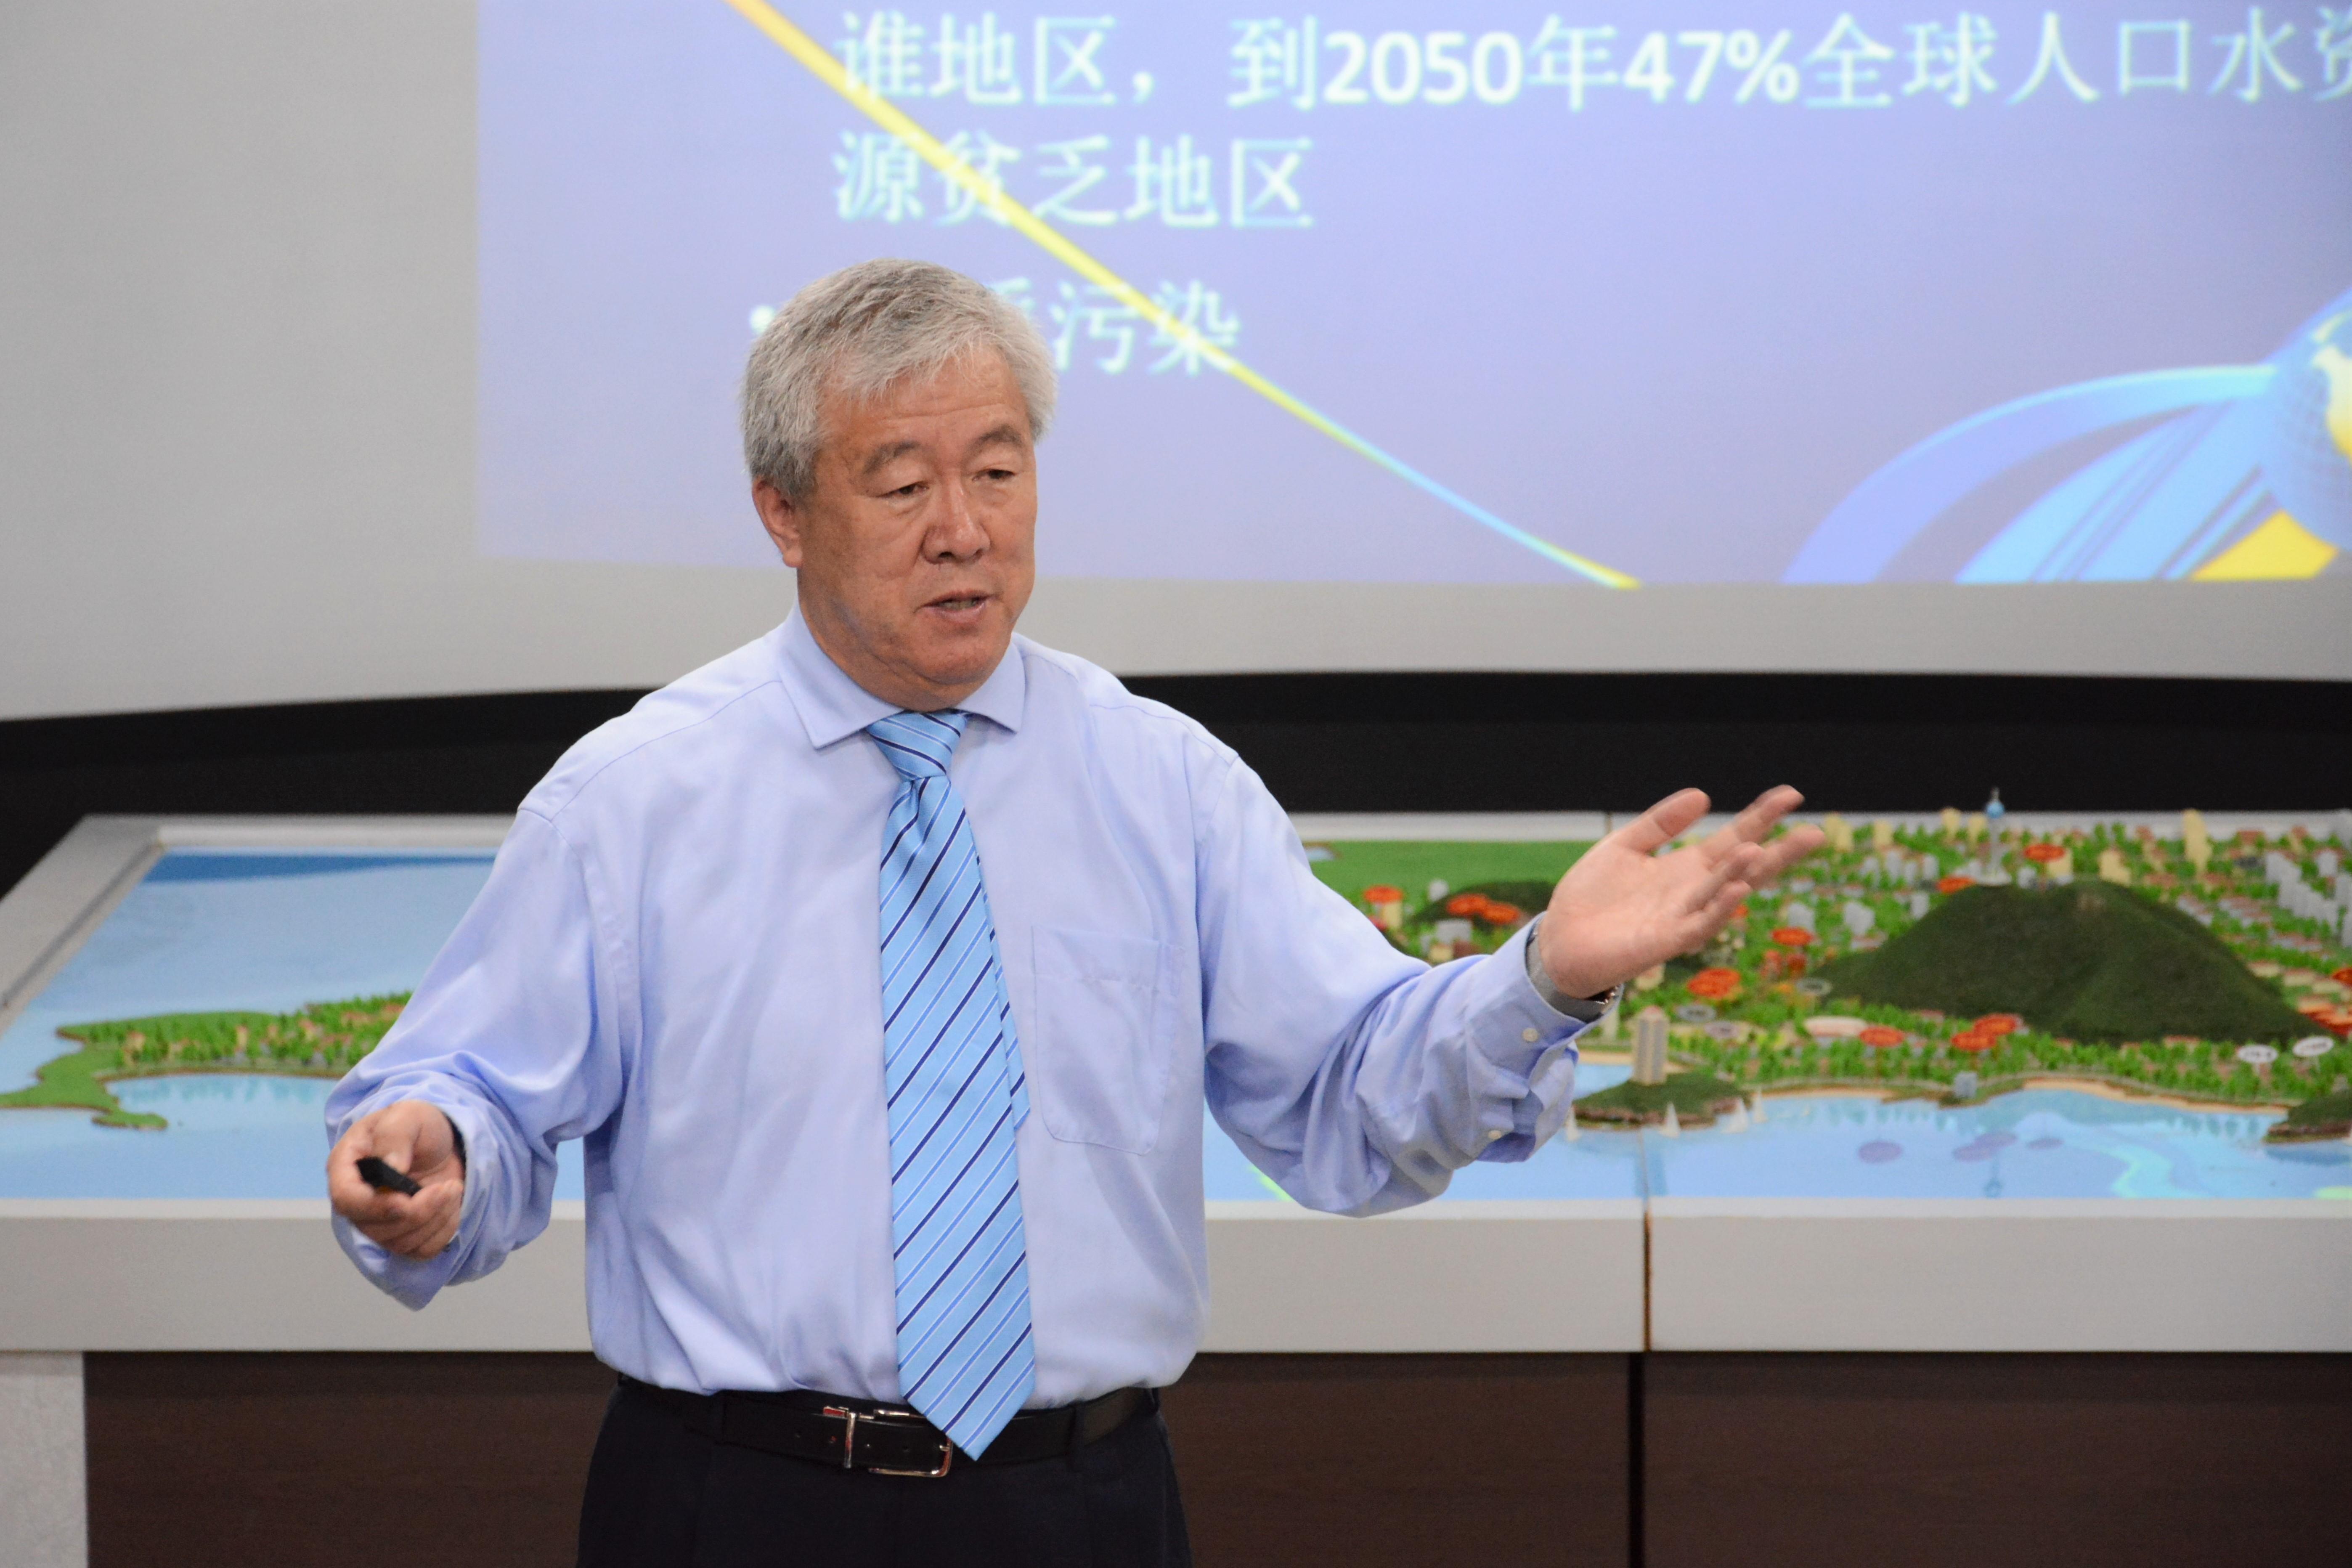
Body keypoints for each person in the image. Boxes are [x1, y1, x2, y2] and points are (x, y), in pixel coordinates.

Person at [326, 258, 1820, 1567]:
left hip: (1077, 1507)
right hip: (737, 1502)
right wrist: (430, 1159)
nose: (964, 530)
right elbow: (470, 1100)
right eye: (902, 486)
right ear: (784, 513)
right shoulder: (633, 801)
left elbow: (1356, 1102)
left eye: (999, 470)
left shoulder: (1161, 784)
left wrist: (1545, 979)